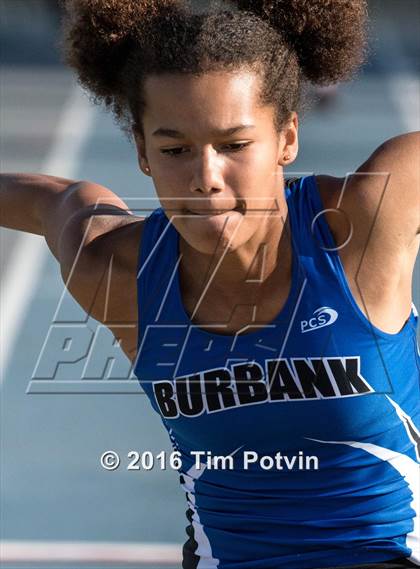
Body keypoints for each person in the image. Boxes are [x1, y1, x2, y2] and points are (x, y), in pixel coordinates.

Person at [1, 1, 419, 567]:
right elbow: (52, 201)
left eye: (235, 145)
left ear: (288, 137)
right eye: (174, 150)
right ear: (143, 154)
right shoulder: (119, 273)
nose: (205, 178)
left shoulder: (364, 224)